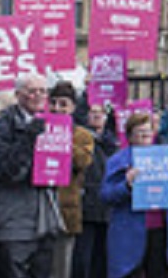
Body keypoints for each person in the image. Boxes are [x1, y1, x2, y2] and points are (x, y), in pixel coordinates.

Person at [0, 74, 64, 278]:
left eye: (42, 91)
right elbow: (6, 171)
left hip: (45, 218)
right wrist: (30, 137)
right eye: (32, 91)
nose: (38, 96)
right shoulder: (4, 124)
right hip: (14, 220)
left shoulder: (54, 124)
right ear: (18, 95)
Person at [103, 113, 168, 278]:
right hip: (128, 233)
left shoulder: (167, 157)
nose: (144, 137)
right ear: (130, 136)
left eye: (148, 133)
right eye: (139, 133)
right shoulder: (118, 160)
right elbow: (106, 195)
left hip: (160, 231)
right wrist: (126, 185)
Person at [48, 82, 95, 278]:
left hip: (65, 209)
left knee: (61, 267)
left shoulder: (82, 135)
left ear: (73, 107)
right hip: (38, 208)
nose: (57, 108)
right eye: (53, 103)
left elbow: (83, 161)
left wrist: (62, 136)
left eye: (63, 104)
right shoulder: (38, 128)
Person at [73, 105, 117, 278]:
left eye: (102, 113)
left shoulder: (112, 142)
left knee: (102, 259)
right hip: (87, 205)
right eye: (93, 112)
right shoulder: (82, 138)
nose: (98, 116)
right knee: (83, 259)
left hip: (107, 207)